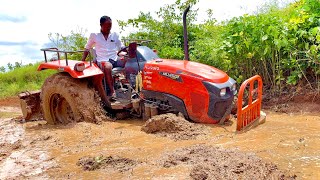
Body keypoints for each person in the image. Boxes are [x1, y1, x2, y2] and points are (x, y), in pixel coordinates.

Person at [81, 16, 125, 103]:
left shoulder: (115, 35)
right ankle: (112, 92)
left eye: (110, 26)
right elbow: (87, 48)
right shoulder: (95, 35)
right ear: (101, 25)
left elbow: (122, 46)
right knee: (108, 67)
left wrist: (129, 51)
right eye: (107, 26)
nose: (109, 28)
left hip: (114, 58)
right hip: (102, 60)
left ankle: (130, 86)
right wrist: (82, 61)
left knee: (130, 62)